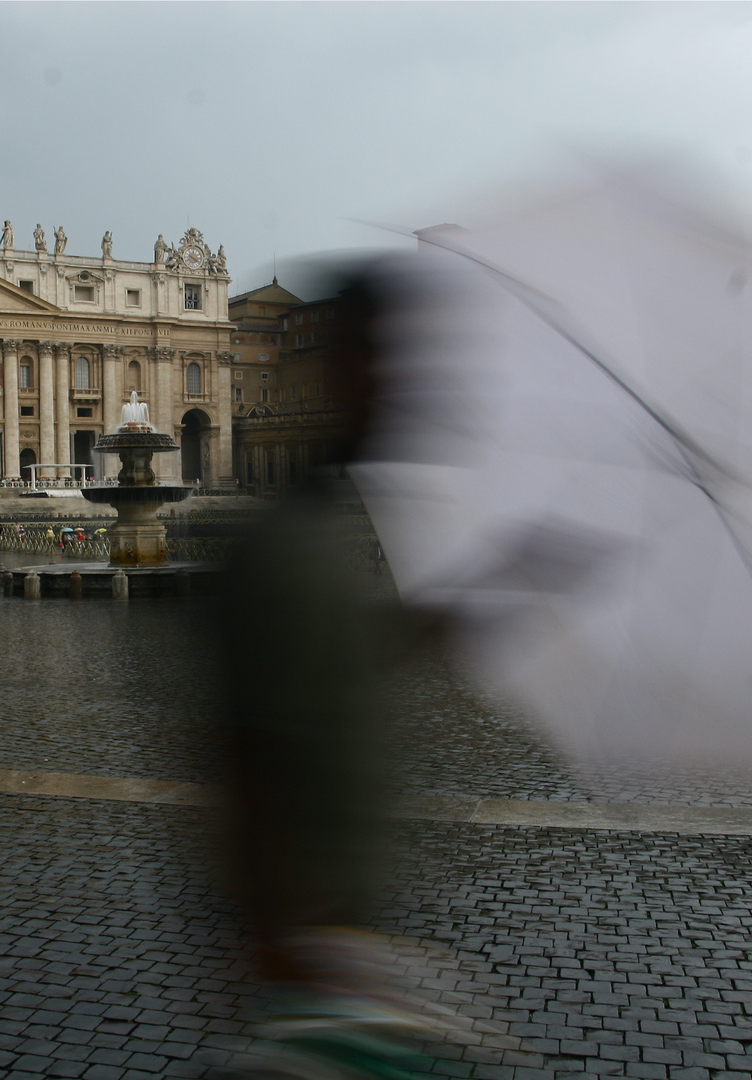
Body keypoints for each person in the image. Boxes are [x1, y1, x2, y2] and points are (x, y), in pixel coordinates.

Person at [214, 266, 452, 1080]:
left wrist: (455, 615)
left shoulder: (310, 531)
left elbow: (339, 659)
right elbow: (242, 753)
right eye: (393, 362)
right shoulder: (282, 546)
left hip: (342, 946)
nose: (410, 389)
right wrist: (280, 942)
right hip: (312, 960)